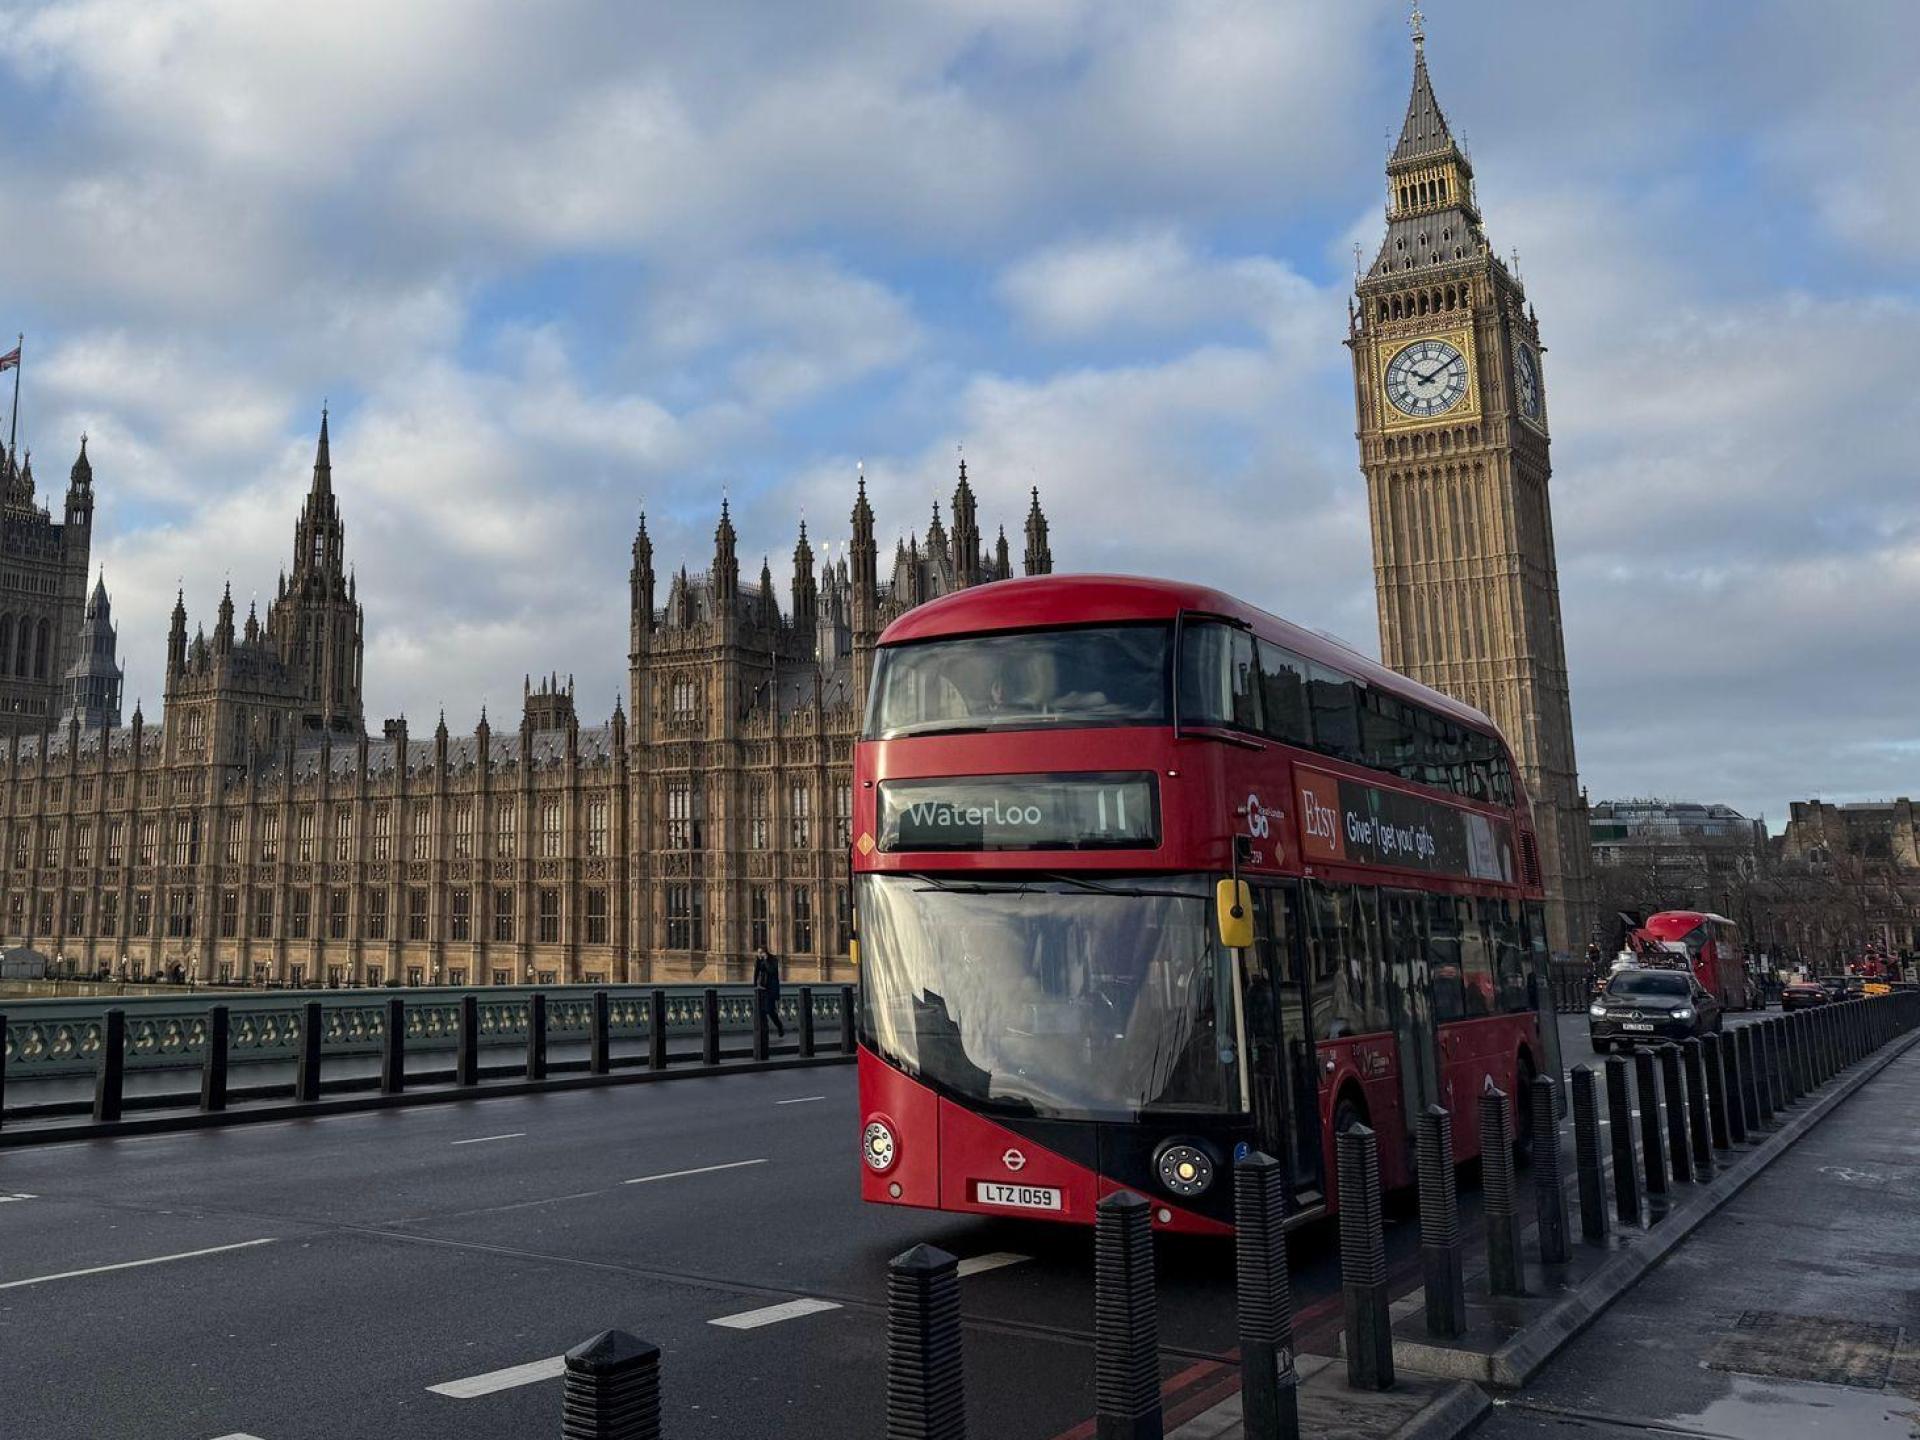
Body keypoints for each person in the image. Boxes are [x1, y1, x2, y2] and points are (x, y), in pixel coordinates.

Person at [753, 945, 786, 1038]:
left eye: (760, 952)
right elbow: (756, 973)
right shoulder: (759, 960)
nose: (758, 954)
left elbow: (772, 971)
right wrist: (755, 985)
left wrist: (766, 960)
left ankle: (779, 1026)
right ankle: (765, 1030)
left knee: (770, 1010)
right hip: (762, 989)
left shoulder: (773, 960)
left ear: (765, 952)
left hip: (771, 989)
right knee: (762, 1011)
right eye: (758, 952)